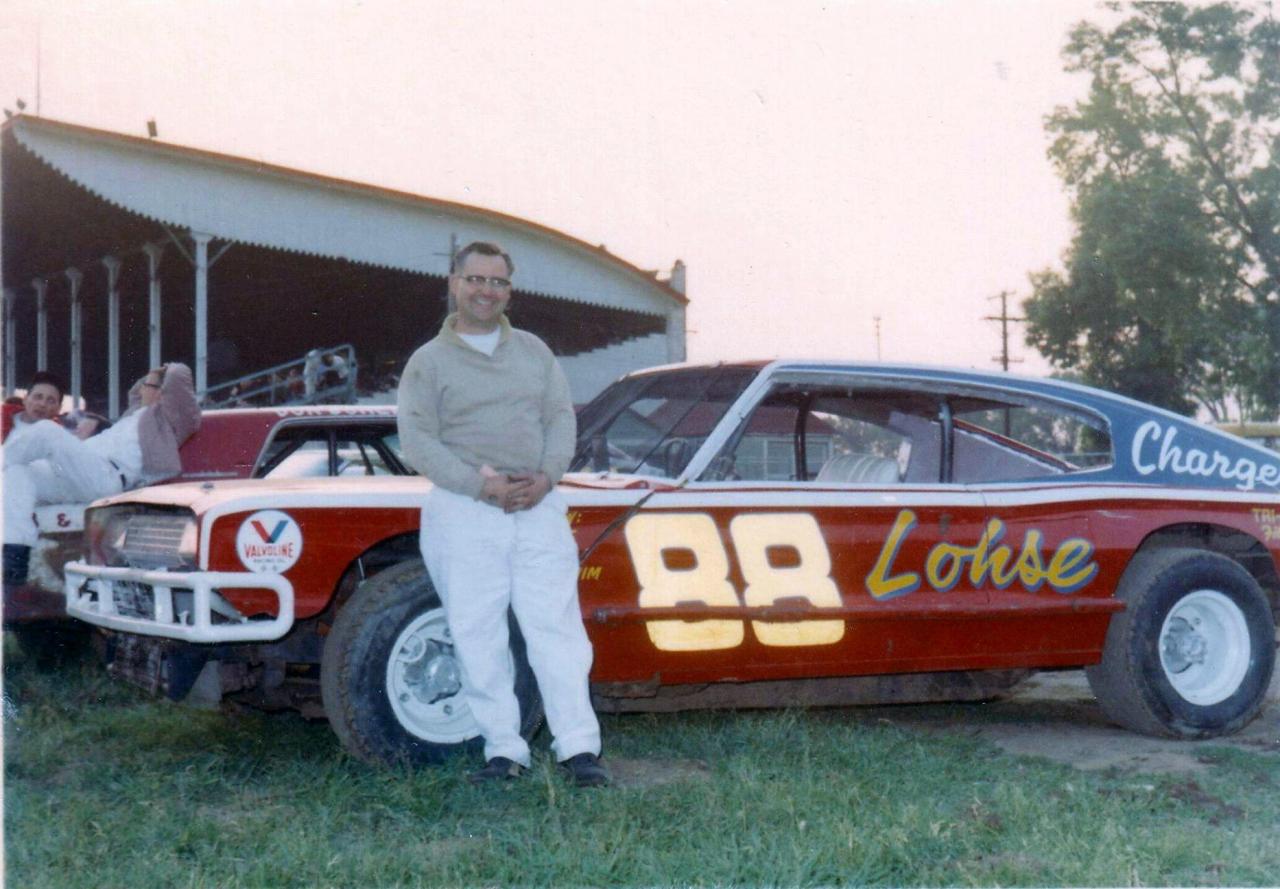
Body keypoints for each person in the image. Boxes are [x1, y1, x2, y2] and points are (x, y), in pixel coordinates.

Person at [397, 241, 607, 787]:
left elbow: (560, 418)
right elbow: (417, 440)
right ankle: (503, 751)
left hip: (537, 505)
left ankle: (579, 750)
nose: (486, 291)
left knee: (556, 628)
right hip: (465, 509)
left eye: (498, 282)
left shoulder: (534, 352)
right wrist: (479, 485)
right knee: (477, 631)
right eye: (476, 280)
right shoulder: (428, 361)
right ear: (454, 283)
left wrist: (547, 476)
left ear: (510, 290)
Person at [3, 363, 201, 587]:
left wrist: (168, 368)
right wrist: (151, 378)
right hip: (79, 476)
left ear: (163, 393)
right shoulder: (133, 415)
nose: (144, 388)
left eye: (150, 385)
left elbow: (180, 381)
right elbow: (136, 392)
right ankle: (15, 556)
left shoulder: (167, 420)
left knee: (46, 430)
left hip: (107, 477)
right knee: (17, 472)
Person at [2, 370, 66, 443]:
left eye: (51, 401)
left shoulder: (60, 438)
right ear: (25, 399)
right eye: (38, 397)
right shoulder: (3, 418)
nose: (42, 404)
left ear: (59, 408)